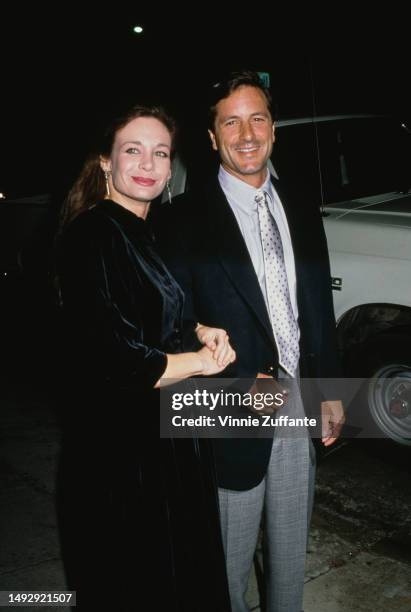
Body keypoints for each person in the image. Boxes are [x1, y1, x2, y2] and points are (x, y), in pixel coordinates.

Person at [155, 72, 345, 612]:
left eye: (257, 118)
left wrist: (329, 390)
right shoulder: (181, 220)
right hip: (225, 411)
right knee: (223, 570)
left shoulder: (302, 206)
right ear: (212, 137)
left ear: (273, 129)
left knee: (290, 560)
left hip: (296, 402)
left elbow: (316, 307)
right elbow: (170, 325)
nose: (246, 133)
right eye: (230, 121)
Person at [55, 104, 235, 611]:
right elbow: (117, 358)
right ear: (105, 163)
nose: (148, 163)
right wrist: (201, 361)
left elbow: (148, 309)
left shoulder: (143, 228)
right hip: (124, 454)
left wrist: (199, 328)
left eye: (161, 153)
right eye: (132, 149)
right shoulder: (93, 234)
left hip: (164, 440)